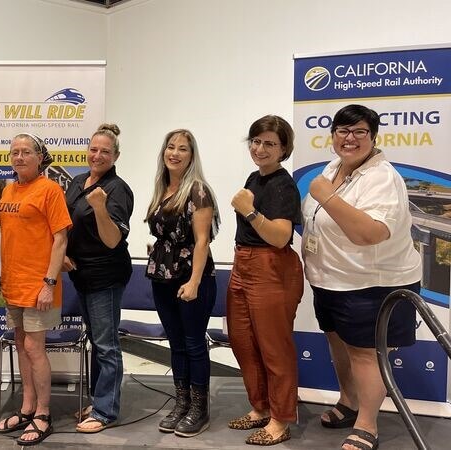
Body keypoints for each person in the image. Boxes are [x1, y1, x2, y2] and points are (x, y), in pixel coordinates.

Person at [303, 104, 421, 450]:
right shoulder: (334, 167)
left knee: (365, 354)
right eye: (342, 130)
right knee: (338, 343)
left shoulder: (381, 177)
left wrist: (324, 195)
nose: (349, 138)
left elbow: (369, 233)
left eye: (359, 132)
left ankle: (368, 424)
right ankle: (348, 401)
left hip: (371, 284)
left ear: (373, 137)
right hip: (330, 279)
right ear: (333, 135)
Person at [226, 115, 303, 446]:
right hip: (242, 263)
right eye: (255, 141)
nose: (260, 148)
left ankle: (281, 419)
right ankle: (260, 407)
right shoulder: (254, 178)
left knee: (275, 348)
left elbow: (280, 236)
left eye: (269, 143)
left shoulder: (285, 186)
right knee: (244, 343)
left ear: (283, 148)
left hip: (272, 267)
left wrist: (249, 211)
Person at [0, 133, 72, 446]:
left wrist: (49, 283)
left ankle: (43, 413)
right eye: (15, 152)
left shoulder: (50, 190)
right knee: (21, 344)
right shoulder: (9, 189)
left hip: (40, 286)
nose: (20, 157)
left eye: (27, 152)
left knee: (35, 348)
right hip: (13, 284)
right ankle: (26, 407)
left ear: (40, 157)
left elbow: (61, 240)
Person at [146, 129, 220, 438]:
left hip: (192, 278)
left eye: (183, 149)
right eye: (171, 147)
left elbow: (202, 241)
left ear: (192, 156)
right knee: (176, 344)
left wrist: (193, 282)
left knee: (193, 343)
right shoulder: (162, 188)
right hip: (162, 277)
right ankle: (182, 403)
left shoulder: (198, 190)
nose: (175, 153)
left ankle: (199, 409)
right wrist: (160, 250)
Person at [63, 124, 134, 433]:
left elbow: (112, 240)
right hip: (81, 274)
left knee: (106, 344)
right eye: (94, 149)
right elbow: (66, 223)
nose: (98, 155)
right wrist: (62, 253)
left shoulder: (118, 189)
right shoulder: (78, 182)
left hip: (106, 275)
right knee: (96, 340)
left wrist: (101, 208)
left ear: (115, 155)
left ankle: (106, 410)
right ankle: (98, 399)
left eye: (105, 151)